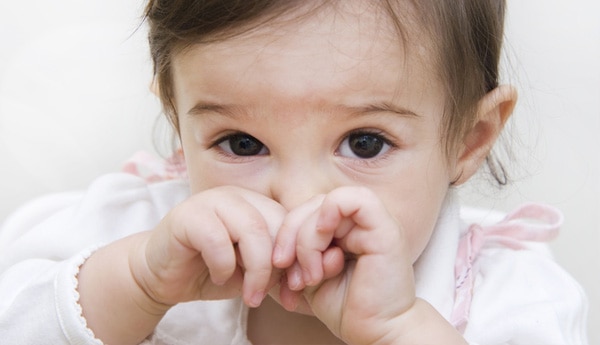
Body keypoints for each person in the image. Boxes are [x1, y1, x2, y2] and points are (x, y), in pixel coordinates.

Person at [0, 0, 588, 344]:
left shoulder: (513, 296)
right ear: (178, 124)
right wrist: (136, 286)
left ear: (469, 138)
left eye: (364, 143)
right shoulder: (137, 234)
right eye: (241, 142)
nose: (301, 201)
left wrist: (398, 327)